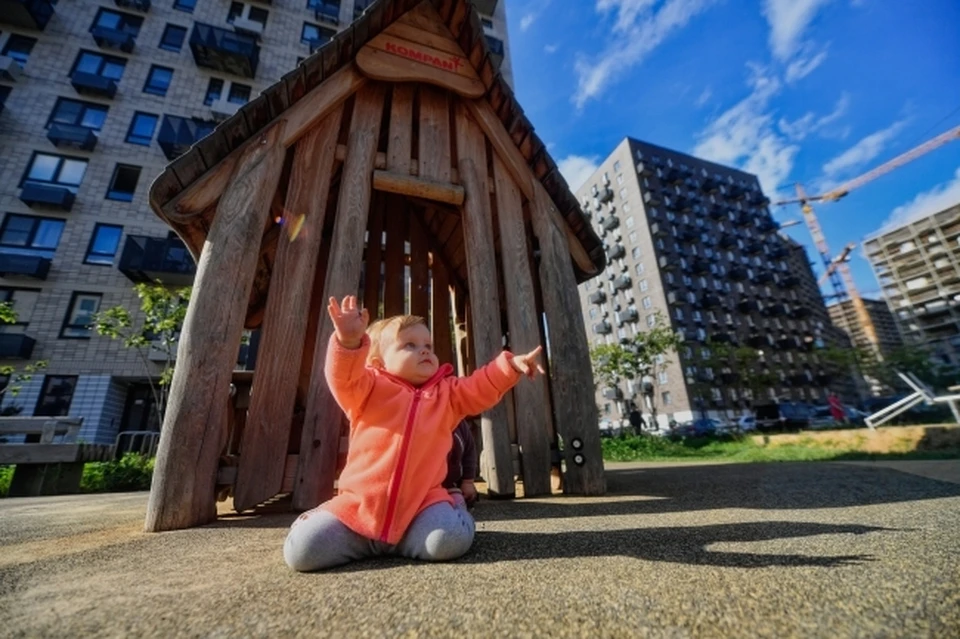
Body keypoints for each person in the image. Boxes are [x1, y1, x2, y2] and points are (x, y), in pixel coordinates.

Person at [284, 295, 544, 571]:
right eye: (410, 344)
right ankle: (355, 535)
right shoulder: (367, 389)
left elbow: (478, 387)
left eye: (428, 345)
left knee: (448, 542)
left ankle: (455, 507)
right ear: (378, 363)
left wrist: (510, 367)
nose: (425, 351)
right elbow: (342, 378)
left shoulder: (448, 394)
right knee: (303, 552)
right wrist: (348, 342)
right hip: (359, 509)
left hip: (421, 508)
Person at [444, 420, 478, 508]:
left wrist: (468, 482)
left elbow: (469, 453)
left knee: (460, 502)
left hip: (454, 484)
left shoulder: (460, 425)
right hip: (427, 488)